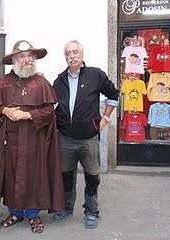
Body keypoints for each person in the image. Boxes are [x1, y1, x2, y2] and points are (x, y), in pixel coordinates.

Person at [0, 40, 65, 234]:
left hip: (34, 141)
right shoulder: (4, 82)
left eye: (31, 56)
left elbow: (49, 111)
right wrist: (5, 109)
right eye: (22, 56)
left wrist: (27, 114)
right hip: (11, 141)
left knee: (34, 176)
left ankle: (32, 214)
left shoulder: (41, 82)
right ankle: (15, 212)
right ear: (15, 59)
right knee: (12, 175)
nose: (27, 59)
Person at [52, 40, 119, 229]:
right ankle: (66, 207)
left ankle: (91, 211)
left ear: (82, 54)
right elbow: (52, 105)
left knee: (92, 176)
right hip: (64, 137)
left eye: (75, 52)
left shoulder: (95, 75)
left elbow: (113, 95)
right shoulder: (59, 80)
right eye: (67, 53)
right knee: (66, 175)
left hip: (88, 138)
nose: (71, 56)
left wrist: (105, 118)